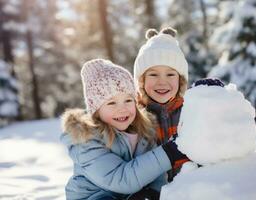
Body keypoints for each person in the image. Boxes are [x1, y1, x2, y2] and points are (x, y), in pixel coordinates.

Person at [60, 59, 186, 200]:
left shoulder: (143, 130)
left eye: (128, 100)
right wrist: (167, 153)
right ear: (96, 110)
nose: (122, 109)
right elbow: (120, 178)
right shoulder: (87, 140)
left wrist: (154, 193)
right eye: (111, 103)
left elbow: (156, 175)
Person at [134, 27, 224, 181]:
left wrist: (212, 98)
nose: (162, 81)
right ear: (142, 81)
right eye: (153, 74)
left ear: (180, 80)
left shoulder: (190, 110)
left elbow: (217, 137)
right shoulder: (134, 117)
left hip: (190, 189)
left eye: (170, 74)